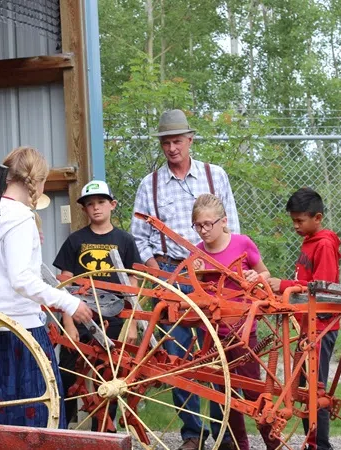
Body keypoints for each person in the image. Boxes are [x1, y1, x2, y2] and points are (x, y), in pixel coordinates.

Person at [131, 109, 240, 450]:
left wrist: (231, 271)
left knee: (219, 354)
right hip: (171, 278)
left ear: (190, 140)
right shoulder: (149, 185)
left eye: (177, 141)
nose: (172, 148)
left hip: (211, 277)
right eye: (166, 142)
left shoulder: (214, 176)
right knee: (178, 356)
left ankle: (223, 431)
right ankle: (193, 434)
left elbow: (232, 226)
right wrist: (157, 271)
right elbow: (139, 236)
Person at [0, 146, 92, 428]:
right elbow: (21, 279)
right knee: (34, 414)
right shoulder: (20, 216)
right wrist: (69, 302)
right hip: (18, 332)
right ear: (39, 182)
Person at [54, 179, 141, 430]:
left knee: (109, 377)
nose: (96, 208)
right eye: (90, 204)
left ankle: (102, 432)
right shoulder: (75, 241)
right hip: (79, 317)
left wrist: (132, 324)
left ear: (112, 204)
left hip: (114, 318)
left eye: (101, 202)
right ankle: (61, 429)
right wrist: (67, 324)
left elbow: (132, 283)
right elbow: (65, 285)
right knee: (70, 375)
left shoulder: (125, 241)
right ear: (84, 209)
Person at [190, 194, 270, 450]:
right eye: (198, 226)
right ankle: (239, 446)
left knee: (253, 392)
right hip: (213, 334)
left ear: (223, 221)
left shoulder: (242, 244)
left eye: (207, 224)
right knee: (226, 394)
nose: (203, 231)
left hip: (244, 331)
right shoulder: (198, 253)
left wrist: (254, 277)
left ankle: (272, 441)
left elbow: (264, 273)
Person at [266, 187, 341, 450]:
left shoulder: (324, 244)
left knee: (314, 388)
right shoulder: (310, 241)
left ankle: (320, 444)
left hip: (320, 327)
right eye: (293, 221)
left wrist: (284, 284)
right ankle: (312, 440)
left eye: (300, 221)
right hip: (306, 325)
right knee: (302, 386)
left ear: (317, 217)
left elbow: (322, 287)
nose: (295, 226)